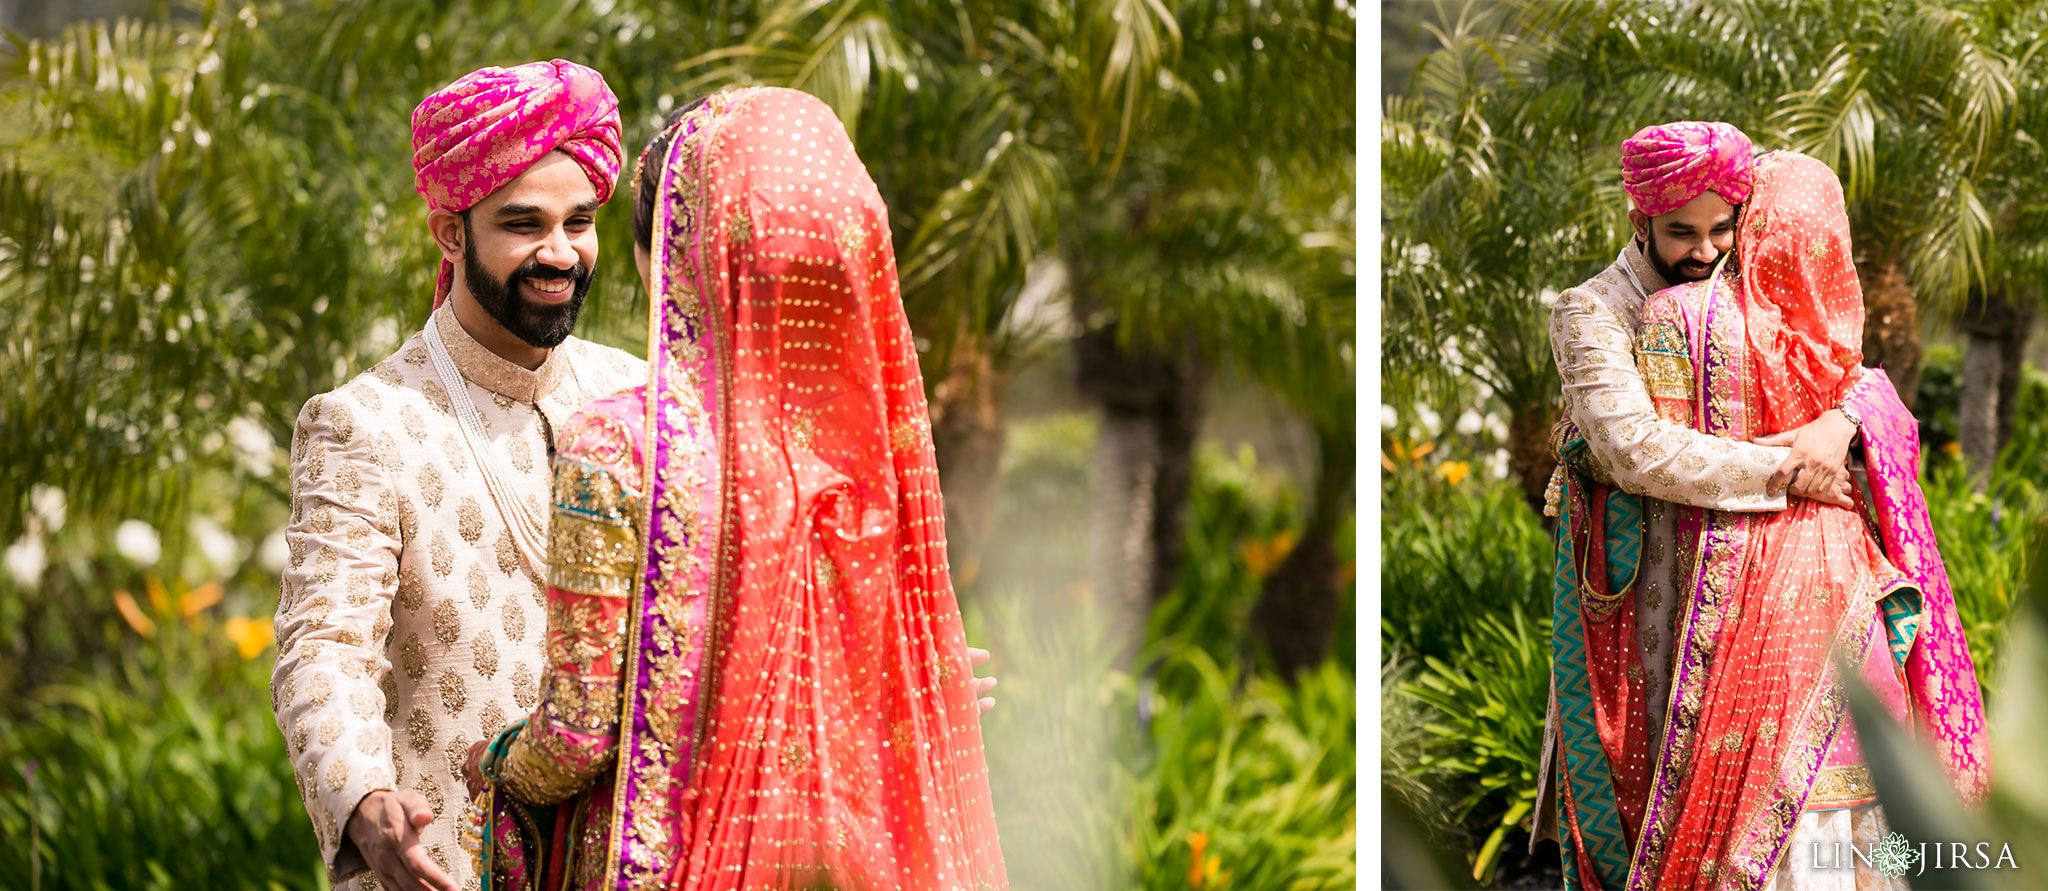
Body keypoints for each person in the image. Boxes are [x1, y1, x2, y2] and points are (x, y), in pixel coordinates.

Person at [456, 86, 1009, 891]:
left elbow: (577, 736)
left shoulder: (620, 444)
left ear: (668, 254)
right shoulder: (869, 455)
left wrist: (499, 760)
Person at [1537, 125, 1987, 889]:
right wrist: (1794, 468)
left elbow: (1845, 367)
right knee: (1639, 803)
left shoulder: (1738, 291)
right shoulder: (1591, 312)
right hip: (1636, 594)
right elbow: (1637, 450)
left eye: (1722, 228)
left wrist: (1841, 422)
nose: (1706, 249)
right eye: (1682, 231)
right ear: (1636, 219)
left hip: (1741, 594)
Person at [271, 59, 647, 891]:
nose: (560, 253)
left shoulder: (641, 395)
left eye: (578, 222)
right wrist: (362, 795)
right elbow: (323, 647)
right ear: (450, 232)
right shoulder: (366, 422)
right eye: (524, 225)